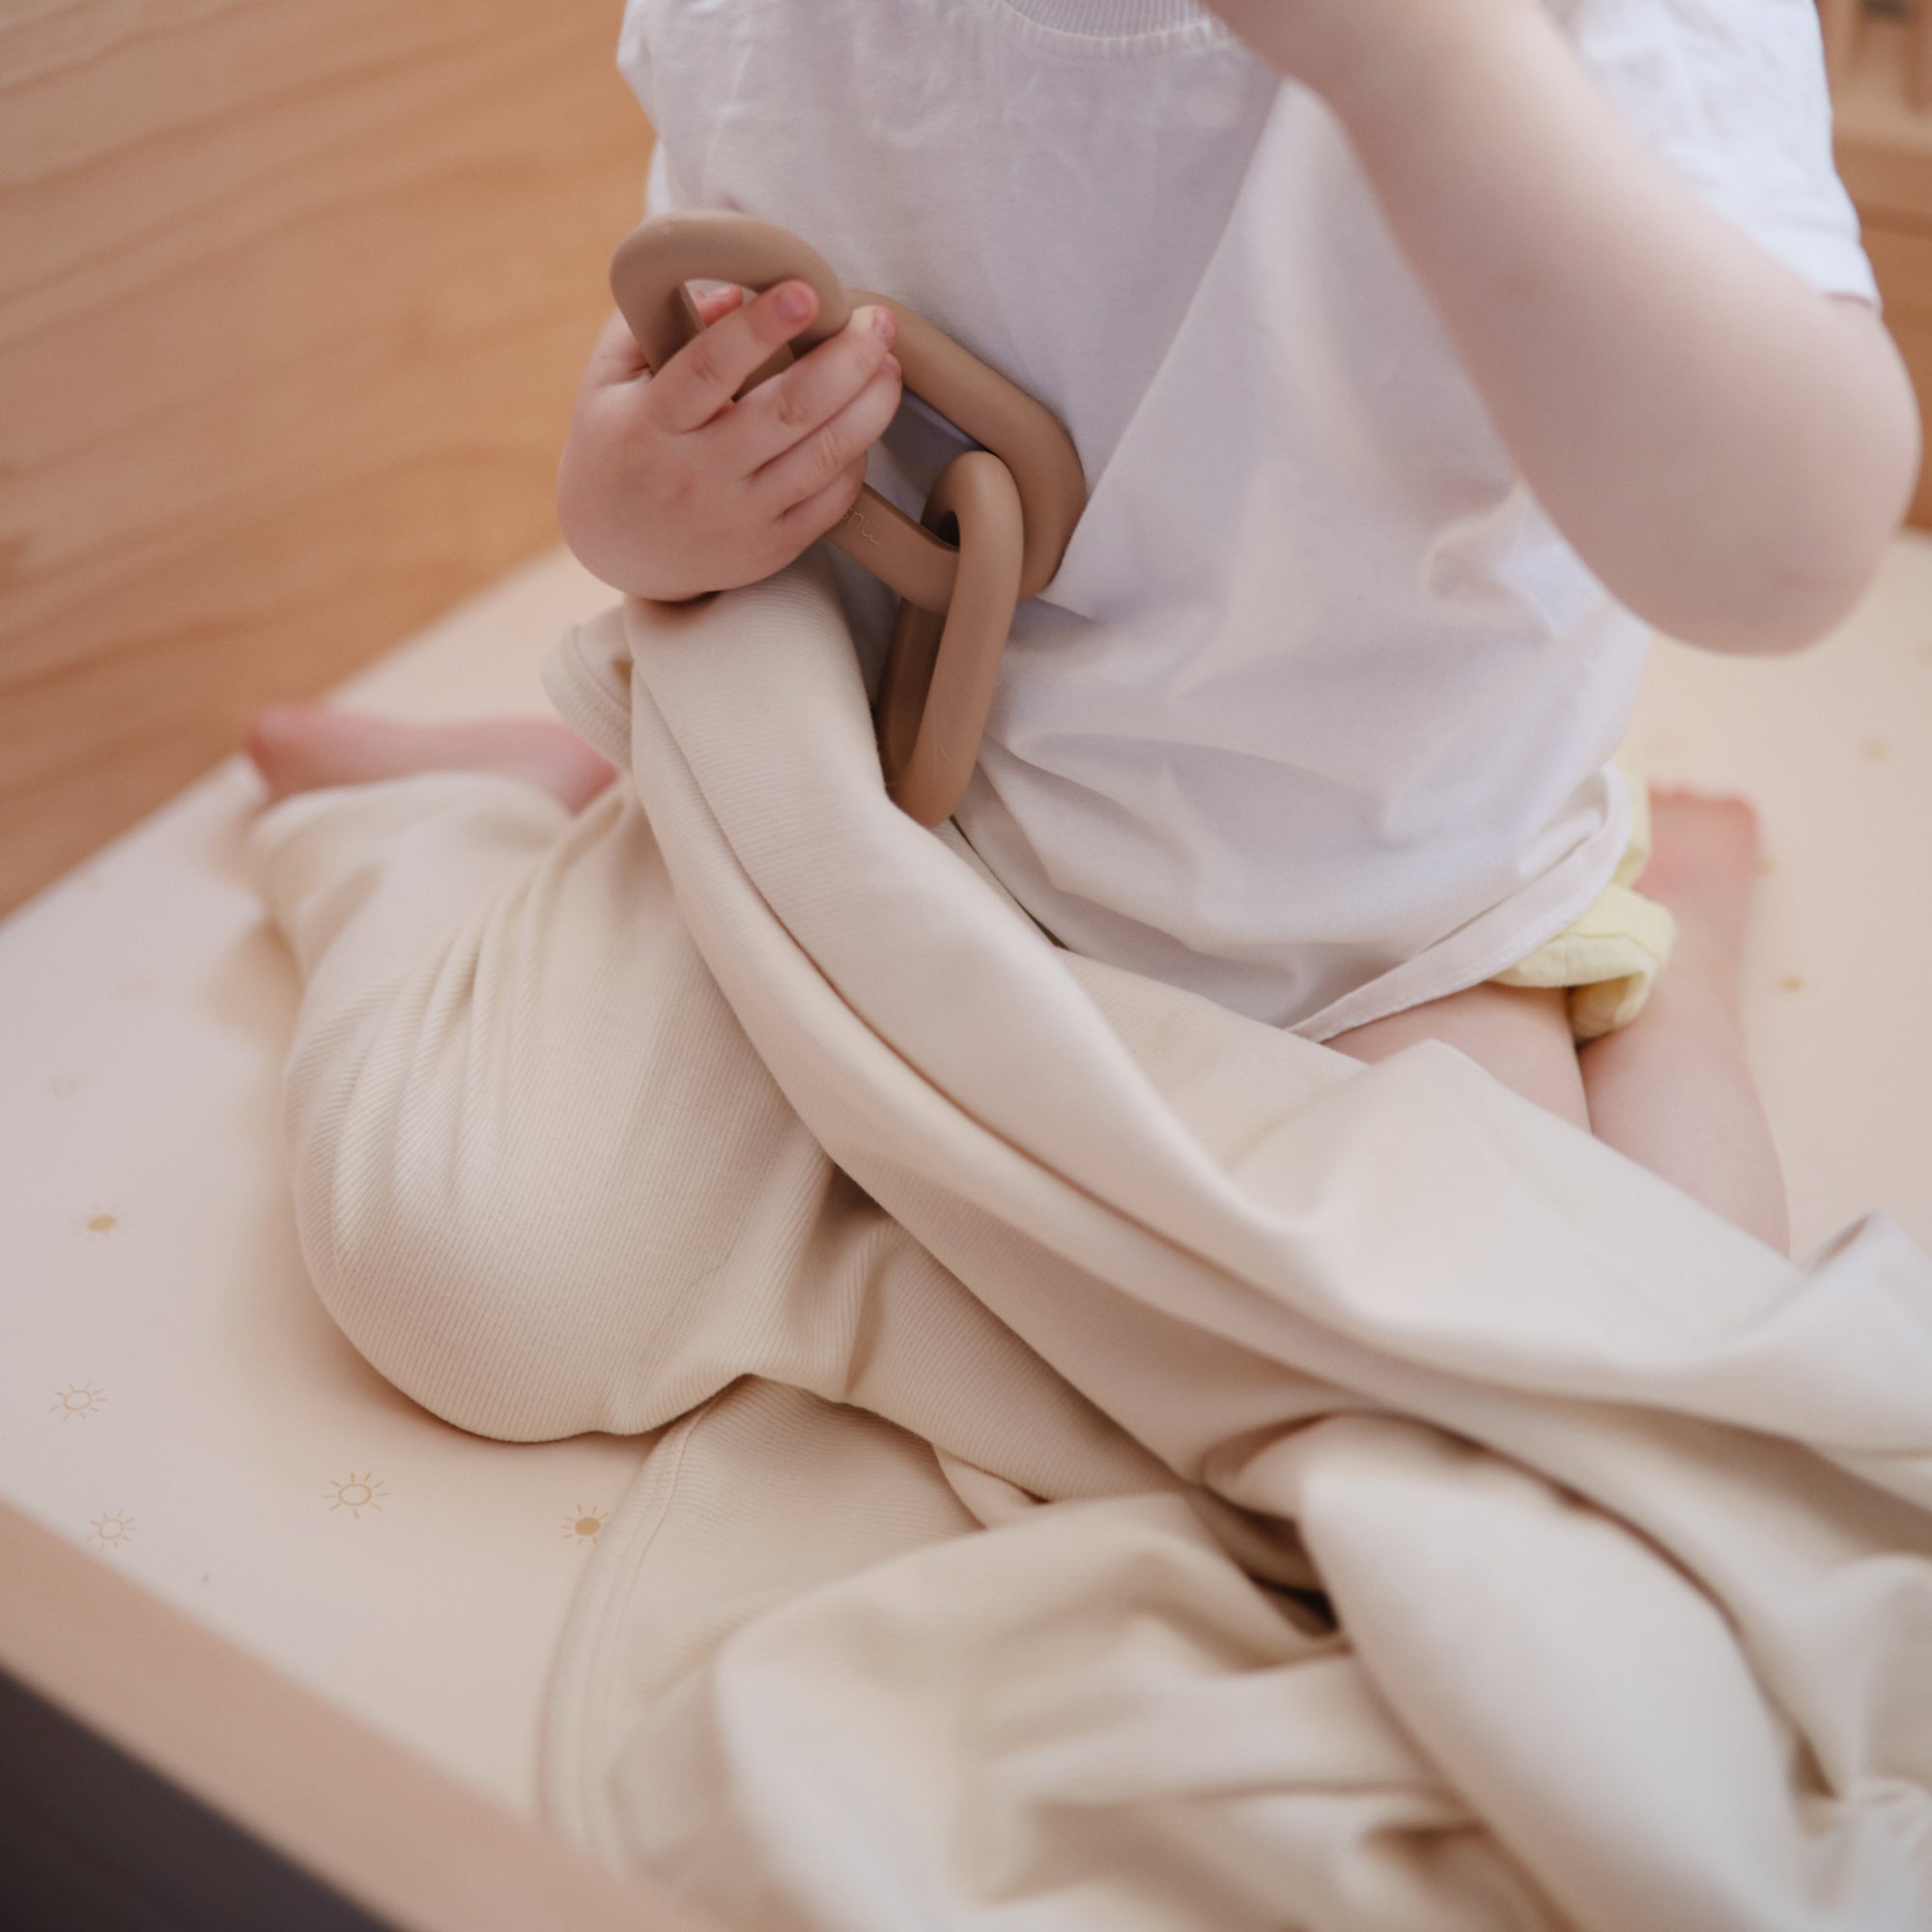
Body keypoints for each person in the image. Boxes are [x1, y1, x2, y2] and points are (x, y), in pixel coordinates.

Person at [248, 0, 1919, 1258]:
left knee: (1640, 1364)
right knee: (459, 1254)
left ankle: (1662, 956)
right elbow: (727, 361)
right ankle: (574, 783)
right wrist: (629, 510)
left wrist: (1418, 59)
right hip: (873, 815)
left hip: (1369, 920)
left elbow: (1783, 553)